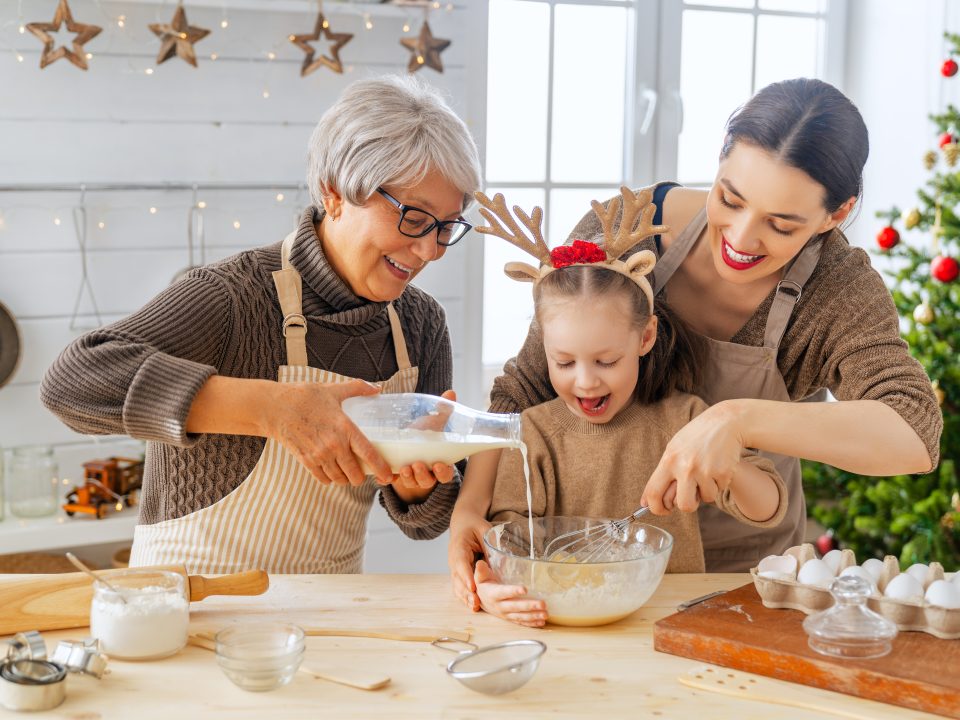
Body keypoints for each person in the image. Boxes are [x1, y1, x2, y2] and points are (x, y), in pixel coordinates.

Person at [451, 78, 943, 608]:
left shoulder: (836, 290)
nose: (740, 238)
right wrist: (471, 509)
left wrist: (735, 421)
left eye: (780, 225)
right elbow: (522, 388)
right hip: (596, 573)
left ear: (836, 214)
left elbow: (915, 432)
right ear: (720, 159)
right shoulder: (629, 229)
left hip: (747, 580)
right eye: (729, 198)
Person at [40, 75, 482, 574]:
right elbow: (70, 383)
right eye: (415, 218)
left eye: (448, 225)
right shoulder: (231, 297)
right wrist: (274, 409)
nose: (431, 250)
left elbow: (422, 523)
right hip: (191, 609)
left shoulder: (420, 324)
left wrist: (415, 482)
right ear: (334, 192)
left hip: (330, 615)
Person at [470, 188, 787, 627]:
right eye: (564, 362)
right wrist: (493, 589)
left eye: (606, 361)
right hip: (561, 624)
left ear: (645, 338)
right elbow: (504, 540)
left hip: (669, 619)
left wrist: (725, 465)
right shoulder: (534, 435)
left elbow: (768, 506)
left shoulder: (685, 421)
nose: (585, 380)